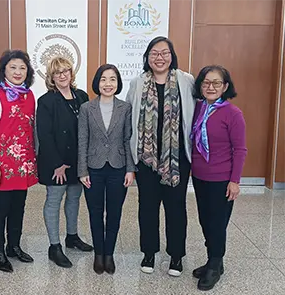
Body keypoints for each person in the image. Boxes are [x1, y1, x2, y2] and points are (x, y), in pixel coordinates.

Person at [125, 36, 196, 276]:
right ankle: (149, 253)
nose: (159, 58)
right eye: (154, 53)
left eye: (164, 53)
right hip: (146, 160)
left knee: (176, 207)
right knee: (147, 207)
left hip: (177, 159)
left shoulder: (186, 81)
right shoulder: (137, 83)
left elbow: (195, 115)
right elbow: (130, 120)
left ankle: (176, 256)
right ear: (147, 57)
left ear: (172, 56)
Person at [190, 65, 247, 290]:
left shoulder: (233, 113)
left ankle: (215, 264)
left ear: (225, 86)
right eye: (206, 82)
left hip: (221, 179)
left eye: (216, 83)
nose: (210, 87)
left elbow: (240, 149)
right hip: (200, 176)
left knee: (216, 223)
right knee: (205, 220)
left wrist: (235, 180)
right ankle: (213, 260)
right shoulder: (197, 108)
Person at [0, 50, 38, 273]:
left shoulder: (29, 95)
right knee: (1, 208)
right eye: (13, 67)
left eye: (22, 68)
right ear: (4, 69)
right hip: (2, 166)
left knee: (19, 207)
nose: (17, 72)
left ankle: (13, 245)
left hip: (23, 165)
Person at [78, 64, 135, 275]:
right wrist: (82, 170)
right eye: (103, 79)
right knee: (94, 213)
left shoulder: (125, 108)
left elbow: (128, 139)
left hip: (118, 168)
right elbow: (82, 139)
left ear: (118, 83)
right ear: (97, 82)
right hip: (93, 168)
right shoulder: (86, 108)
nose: (108, 84)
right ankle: (98, 254)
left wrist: (130, 169)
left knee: (114, 212)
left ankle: (109, 254)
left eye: (112, 79)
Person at [37, 56, 93, 269]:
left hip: (77, 160)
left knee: (74, 199)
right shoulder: (46, 101)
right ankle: (54, 247)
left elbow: (87, 130)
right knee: (54, 201)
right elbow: (45, 135)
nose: (62, 75)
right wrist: (57, 164)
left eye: (66, 71)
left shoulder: (81, 96)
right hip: (56, 162)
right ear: (51, 76)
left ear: (71, 73)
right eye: (57, 72)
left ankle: (72, 237)